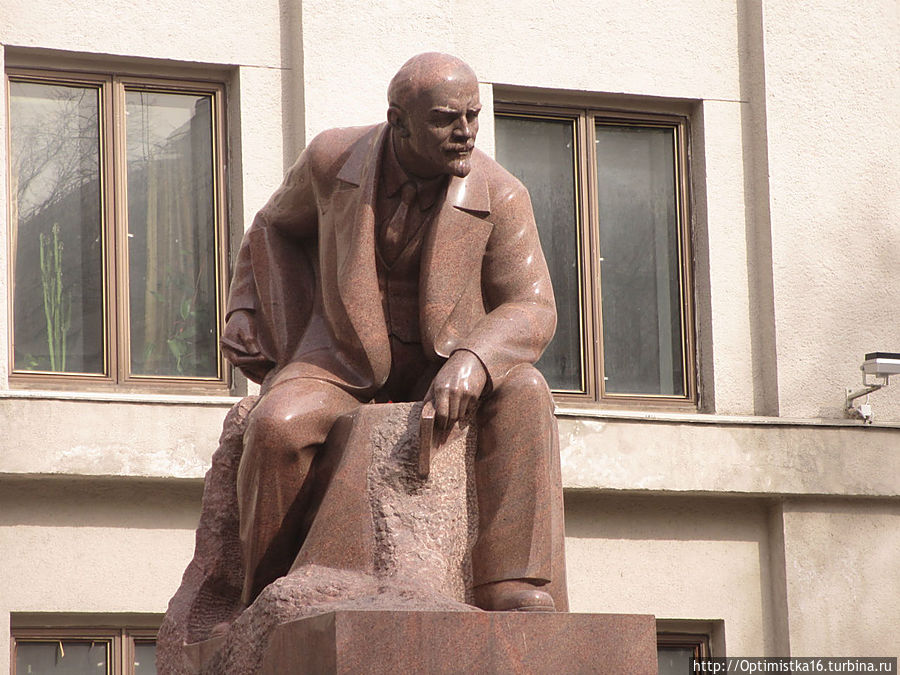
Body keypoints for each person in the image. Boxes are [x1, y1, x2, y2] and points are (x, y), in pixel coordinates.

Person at [221, 52, 567, 612]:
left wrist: (474, 360)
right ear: (398, 120)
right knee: (277, 428)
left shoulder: (501, 193)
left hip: (445, 366)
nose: (465, 133)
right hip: (341, 361)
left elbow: (534, 305)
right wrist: (247, 308)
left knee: (526, 390)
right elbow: (272, 224)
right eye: (446, 119)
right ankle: (266, 601)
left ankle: (511, 581)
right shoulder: (332, 160)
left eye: (473, 116)